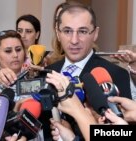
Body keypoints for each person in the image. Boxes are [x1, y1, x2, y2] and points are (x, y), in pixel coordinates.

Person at [40, 4, 132, 140]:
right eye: (67, 31)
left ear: (95, 33)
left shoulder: (116, 74)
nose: (74, 40)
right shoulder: (48, 74)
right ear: (58, 33)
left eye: (82, 31)